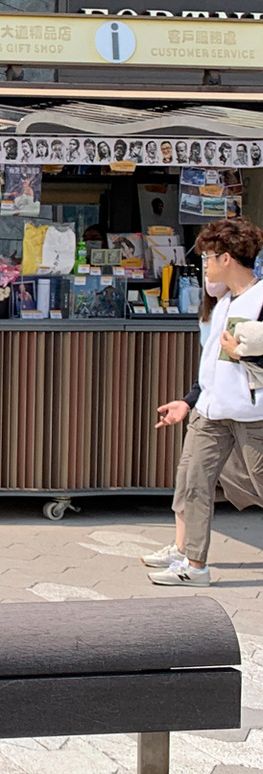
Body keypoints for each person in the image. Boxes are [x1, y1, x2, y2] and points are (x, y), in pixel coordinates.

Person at [148, 217, 263, 586]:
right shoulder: (223, 302)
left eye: (208, 258)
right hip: (211, 412)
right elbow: (212, 360)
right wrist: (190, 401)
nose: (205, 266)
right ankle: (194, 565)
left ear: (226, 258)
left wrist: (246, 353)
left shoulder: (260, 298)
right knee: (194, 482)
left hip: (252, 413)